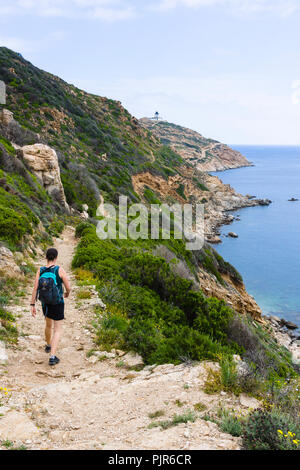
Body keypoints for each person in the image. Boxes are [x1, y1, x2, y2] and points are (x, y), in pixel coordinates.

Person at [30, 248, 71, 366]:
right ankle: (52, 357)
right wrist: (67, 294)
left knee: (48, 325)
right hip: (58, 302)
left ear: (46, 257)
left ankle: (48, 345)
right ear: (56, 257)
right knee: (57, 330)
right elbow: (68, 287)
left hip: (45, 303)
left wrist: (32, 304)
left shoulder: (41, 270)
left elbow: (35, 288)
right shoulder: (59, 270)